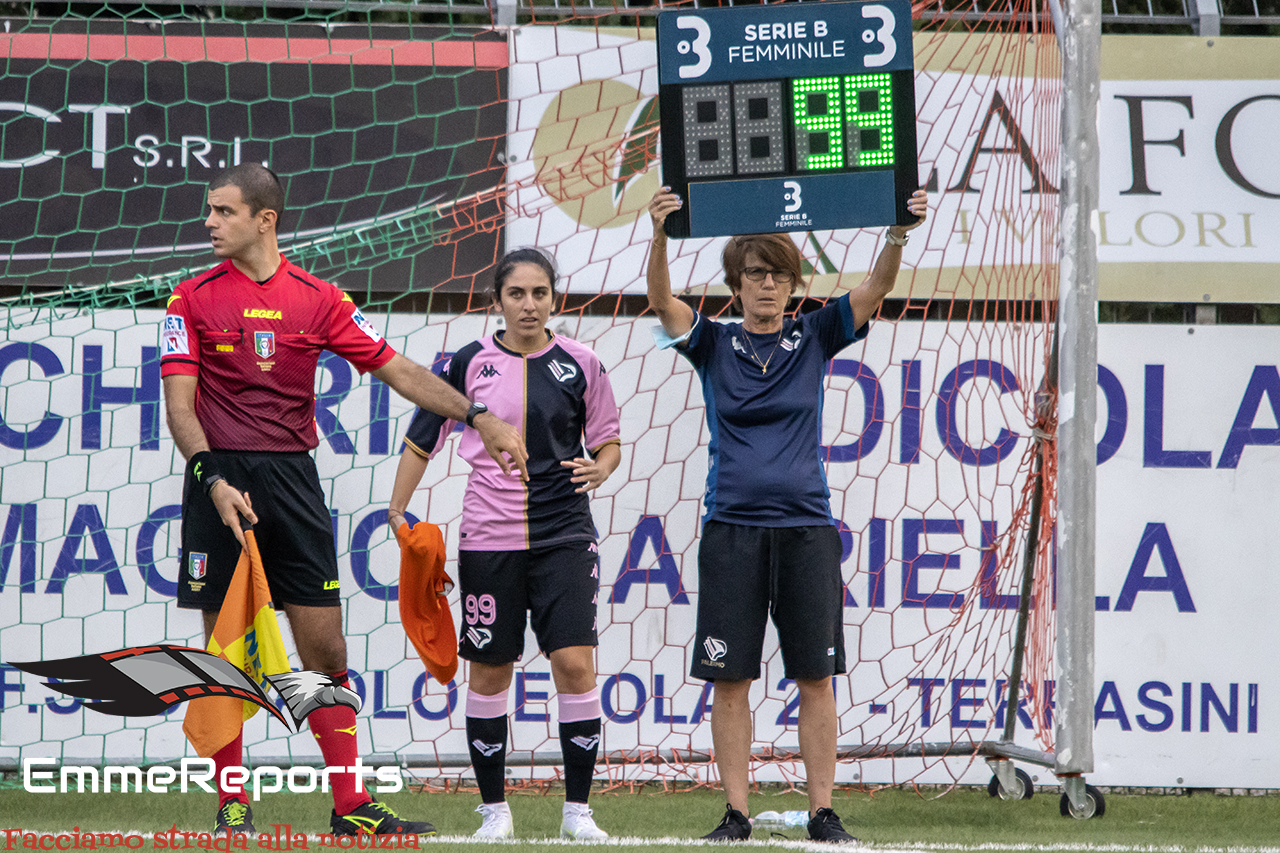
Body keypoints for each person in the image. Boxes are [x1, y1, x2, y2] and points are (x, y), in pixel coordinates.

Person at [161, 163, 529, 837]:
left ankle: (351, 805)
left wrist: (478, 415)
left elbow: (404, 372)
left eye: (222, 211)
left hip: (294, 483)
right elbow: (180, 409)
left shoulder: (321, 298)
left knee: (326, 650)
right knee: (225, 649)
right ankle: (232, 801)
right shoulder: (189, 299)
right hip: (218, 479)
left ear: (264, 219)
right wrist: (211, 480)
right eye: (209, 211)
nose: (208, 222)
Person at [645, 187, 929, 843]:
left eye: (776, 274)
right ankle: (735, 813)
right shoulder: (713, 343)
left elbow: (873, 292)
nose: (766, 284)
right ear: (737, 285)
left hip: (806, 531)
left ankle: (823, 812)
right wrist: (659, 234)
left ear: (791, 283)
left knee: (815, 676)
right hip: (732, 531)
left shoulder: (813, 335)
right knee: (731, 679)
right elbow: (662, 304)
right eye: (754, 274)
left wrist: (896, 234)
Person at [387, 247, 621, 842]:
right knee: (490, 672)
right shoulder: (467, 362)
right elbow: (421, 441)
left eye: (539, 293)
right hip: (490, 537)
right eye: (516, 294)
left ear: (554, 299)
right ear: (497, 301)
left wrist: (603, 468)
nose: (529, 305)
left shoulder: (582, 362)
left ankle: (578, 812)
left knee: (574, 664)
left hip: (565, 532)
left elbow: (609, 440)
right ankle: (494, 810)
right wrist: (396, 508)